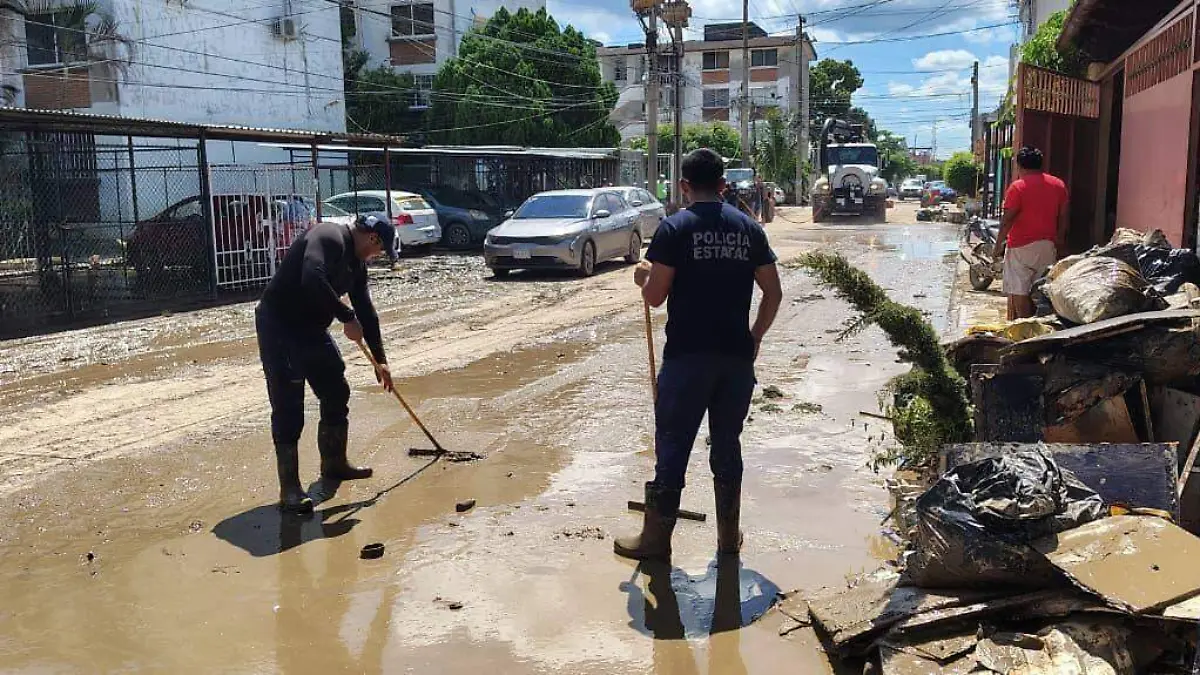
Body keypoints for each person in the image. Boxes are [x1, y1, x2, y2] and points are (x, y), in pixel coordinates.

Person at [614, 148, 783, 561]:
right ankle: (728, 540)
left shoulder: (675, 229)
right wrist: (755, 337)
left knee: (672, 447)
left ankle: (655, 542)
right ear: (724, 185)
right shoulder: (749, 230)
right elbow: (773, 293)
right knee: (727, 447)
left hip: (687, 360)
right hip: (735, 361)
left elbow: (655, 297)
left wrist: (643, 277)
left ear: (685, 186)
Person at [256, 214, 397, 514]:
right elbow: (311, 276)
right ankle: (290, 489)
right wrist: (346, 317)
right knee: (289, 404)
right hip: (280, 326)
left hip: (311, 329)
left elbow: (367, 313)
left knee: (335, 388)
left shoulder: (356, 266)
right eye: (380, 250)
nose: (377, 256)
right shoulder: (328, 237)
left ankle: (333, 463)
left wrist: (380, 362)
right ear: (373, 238)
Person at [994, 146, 1069, 321]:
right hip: (1047, 245)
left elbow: (1007, 220)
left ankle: (1025, 325)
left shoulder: (1018, 187)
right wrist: (1060, 239)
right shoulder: (1058, 185)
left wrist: (998, 245)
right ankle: (1039, 325)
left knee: (1019, 289)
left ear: (1019, 165)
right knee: (1042, 289)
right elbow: (1064, 216)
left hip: (1021, 246)